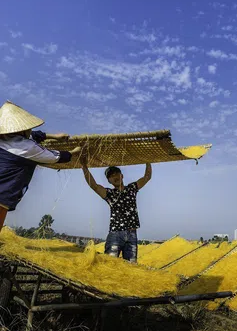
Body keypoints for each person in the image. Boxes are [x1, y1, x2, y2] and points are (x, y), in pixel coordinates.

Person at [0, 100, 82, 232]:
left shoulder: (5, 138)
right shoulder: (27, 147)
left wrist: (54, 136)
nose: (30, 129)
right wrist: (74, 152)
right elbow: (54, 157)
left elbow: (33, 135)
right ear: (21, 130)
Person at [80, 157, 152, 263]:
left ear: (121, 176)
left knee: (131, 266)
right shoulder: (109, 194)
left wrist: (148, 160)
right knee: (110, 264)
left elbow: (147, 177)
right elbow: (94, 186)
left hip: (132, 234)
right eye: (111, 176)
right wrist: (84, 167)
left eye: (116, 173)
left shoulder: (132, 188)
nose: (114, 177)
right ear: (109, 181)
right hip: (115, 234)